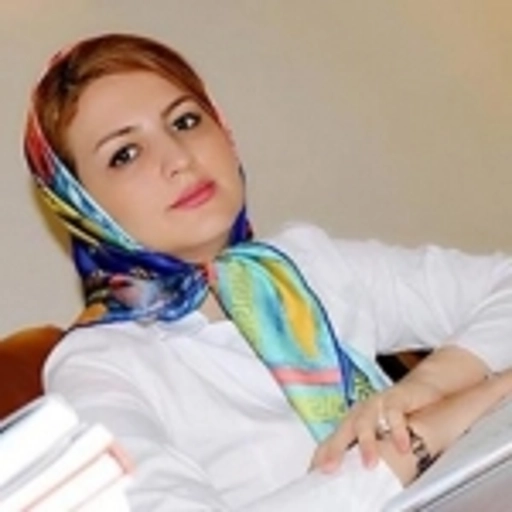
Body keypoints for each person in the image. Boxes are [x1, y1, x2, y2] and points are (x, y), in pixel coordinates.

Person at [23, 33, 512, 511]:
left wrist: (432, 385)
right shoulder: (97, 365)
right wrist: (425, 433)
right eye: (125, 154)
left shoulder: (306, 262)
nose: (178, 158)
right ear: (80, 207)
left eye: (186, 121)